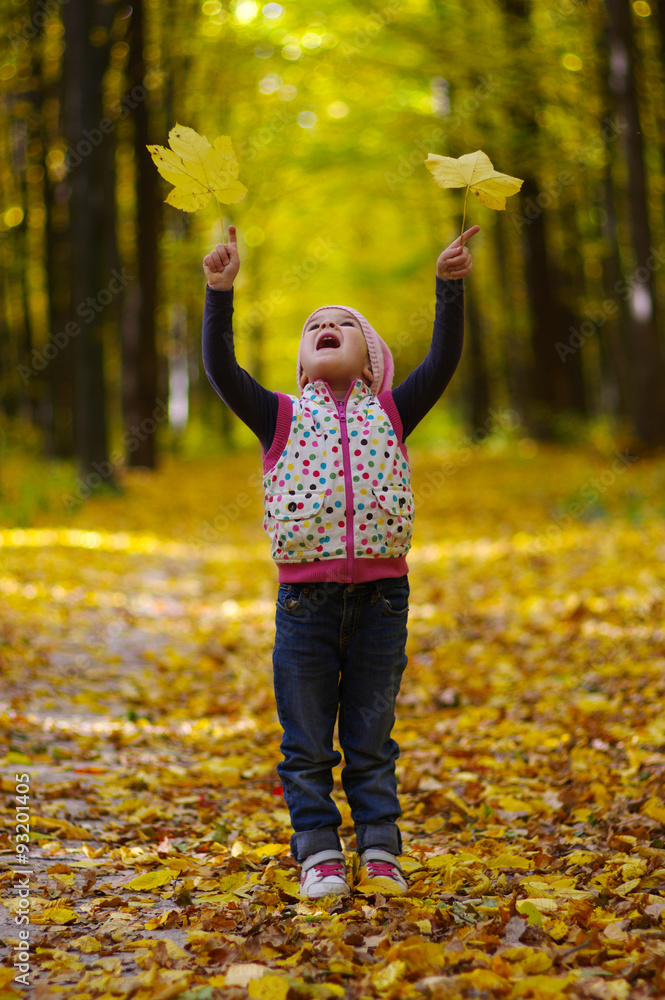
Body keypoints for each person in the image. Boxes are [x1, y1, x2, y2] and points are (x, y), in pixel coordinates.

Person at [201, 222, 479, 898]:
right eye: (315, 326)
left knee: (371, 738)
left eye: (343, 325)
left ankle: (380, 849)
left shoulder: (391, 410)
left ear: (371, 359)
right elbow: (221, 370)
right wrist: (219, 294)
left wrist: (448, 290)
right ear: (301, 360)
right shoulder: (280, 417)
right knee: (304, 744)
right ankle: (319, 852)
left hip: (383, 602)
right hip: (305, 605)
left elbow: (441, 363)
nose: (326, 326)